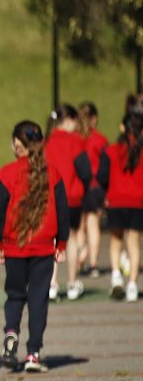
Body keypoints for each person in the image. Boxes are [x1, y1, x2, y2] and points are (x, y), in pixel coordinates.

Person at [0, 121, 69, 373]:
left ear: (16, 144)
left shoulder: (5, 173)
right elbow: (63, 209)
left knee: (15, 295)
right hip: (44, 247)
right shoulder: (52, 173)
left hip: (14, 247)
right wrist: (62, 240)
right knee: (38, 300)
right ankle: (33, 353)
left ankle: (11, 332)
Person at [98, 109, 143, 302]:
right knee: (134, 243)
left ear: (122, 128)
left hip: (116, 200)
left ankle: (116, 276)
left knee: (116, 242)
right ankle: (133, 284)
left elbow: (101, 176)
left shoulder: (111, 150)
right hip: (138, 201)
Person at [44, 104, 87, 300]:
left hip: (50, 198)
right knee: (71, 240)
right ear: (68, 121)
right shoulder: (75, 141)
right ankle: (71, 282)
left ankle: (51, 284)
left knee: (52, 241)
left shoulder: (46, 142)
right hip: (72, 197)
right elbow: (85, 170)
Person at [76, 102, 108, 278]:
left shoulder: (75, 139)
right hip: (96, 186)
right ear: (94, 119)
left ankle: (80, 256)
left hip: (79, 185)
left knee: (79, 225)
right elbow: (106, 165)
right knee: (93, 223)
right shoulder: (100, 140)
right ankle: (93, 263)